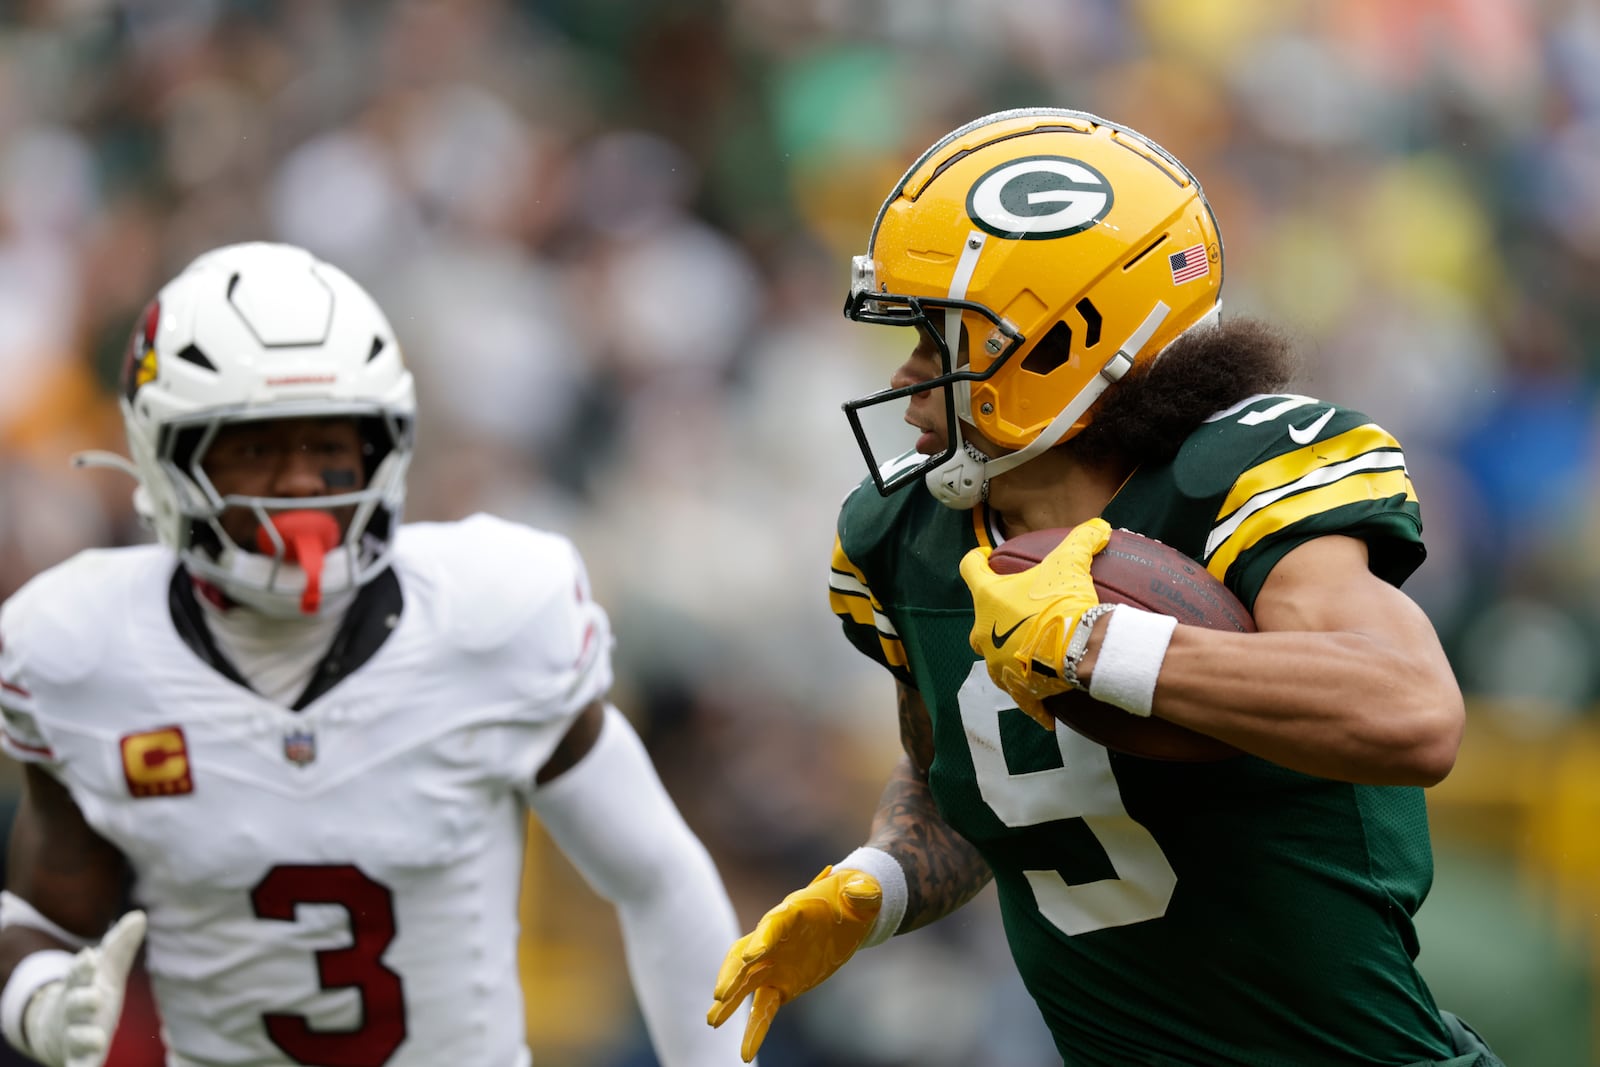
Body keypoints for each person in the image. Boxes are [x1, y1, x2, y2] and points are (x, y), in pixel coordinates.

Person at [707, 108, 1504, 1066]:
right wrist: (883, 881)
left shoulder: (1236, 484)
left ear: (1062, 340)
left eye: (941, 340)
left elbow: (1413, 712)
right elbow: (969, 781)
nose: (910, 380)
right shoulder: (902, 540)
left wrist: (1097, 648)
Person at [0, 242, 751, 1067]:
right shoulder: (84, 652)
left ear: (382, 447)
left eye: (328, 445)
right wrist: (35, 995)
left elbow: (660, 877)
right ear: (166, 457)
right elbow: (43, 916)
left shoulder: (493, 619)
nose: (297, 485)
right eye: (253, 447)